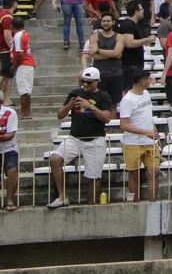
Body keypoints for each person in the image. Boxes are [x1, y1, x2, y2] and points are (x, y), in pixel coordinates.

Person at [47, 67, 113, 208]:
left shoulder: (103, 96)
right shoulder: (75, 93)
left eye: (89, 82)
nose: (86, 85)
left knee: (94, 176)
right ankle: (61, 196)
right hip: (75, 138)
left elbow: (107, 118)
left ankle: (91, 204)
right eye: (83, 81)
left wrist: (91, 107)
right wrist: (69, 105)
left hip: (95, 139)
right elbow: (59, 115)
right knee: (55, 159)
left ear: (97, 81)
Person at [120, 68, 160, 203]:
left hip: (150, 141)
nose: (150, 81)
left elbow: (147, 114)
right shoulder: (128, 100)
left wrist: (153, 129)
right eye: (149, 79)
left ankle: (153, 201)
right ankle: (134, 203)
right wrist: (146, 133)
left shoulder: (146, 94)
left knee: (154, 172)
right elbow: (124, 125)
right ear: (143, 81)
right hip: (133, 142)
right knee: (133, 174)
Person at [89, 12, 125, 99]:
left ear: (113, 22)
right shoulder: (94, 37)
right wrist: (113, 54)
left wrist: (98, 50)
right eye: (103, 21)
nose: (105, 23)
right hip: (99, 74)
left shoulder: (119, 37)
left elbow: (117, 53)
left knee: (114, 104)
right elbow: (93, 55)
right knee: (98, 102)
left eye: (108, 21)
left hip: (115, 73)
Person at [10, 17, 34, 119]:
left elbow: (20, 54)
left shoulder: (18, 36)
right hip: (26, 64)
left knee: (24, 90)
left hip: (23, 64)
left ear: (12, 26)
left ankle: (25, 113)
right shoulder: (24, 34)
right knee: (26, 89)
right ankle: (26, 112)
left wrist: (14, 67)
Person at [0, 96, 16, 210]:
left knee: (12, 170)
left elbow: (10, 135)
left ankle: (10, 199)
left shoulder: (10, 112)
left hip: (8, 148)